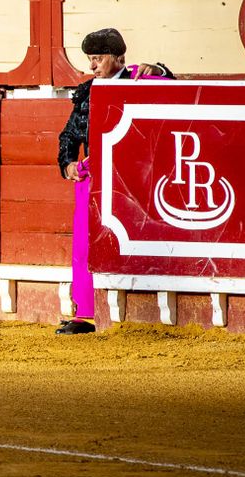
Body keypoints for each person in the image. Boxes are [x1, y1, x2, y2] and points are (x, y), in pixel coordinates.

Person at [56, 27, 172, 334]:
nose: (92, 66)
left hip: (132, 178)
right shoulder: (87, 90)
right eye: (90, 59)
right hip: (94, 175)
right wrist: (67, 163)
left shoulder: (139, 79)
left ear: (118, 58)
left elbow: (173, 89)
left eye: (98, 59)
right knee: (84, 243)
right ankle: (85, 315)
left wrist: (159, 69)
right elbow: (69, 134)